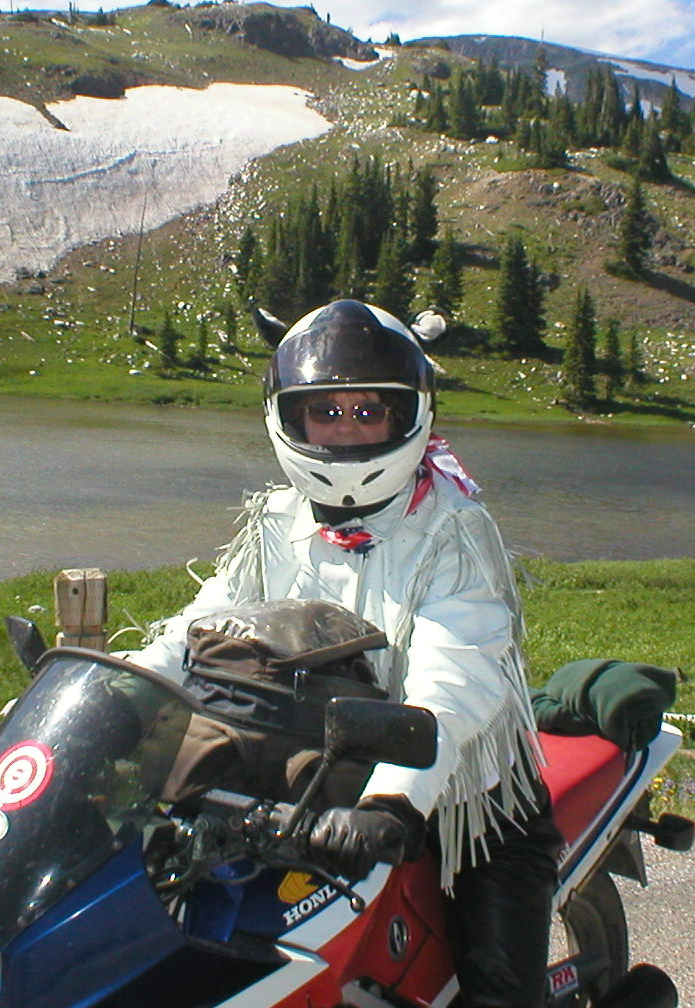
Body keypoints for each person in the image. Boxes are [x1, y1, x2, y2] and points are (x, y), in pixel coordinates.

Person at [129, 298, 561, 1008]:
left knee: (501, 992)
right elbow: (204, 625)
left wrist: (394, 799)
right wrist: (130, 689)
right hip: (313, 777)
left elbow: (454, 679)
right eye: (326, 412)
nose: (347, 429)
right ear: (290, 417)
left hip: (462, 798)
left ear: (408, 415)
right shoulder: (276, 518)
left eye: (369, 412)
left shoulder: (453, 530)